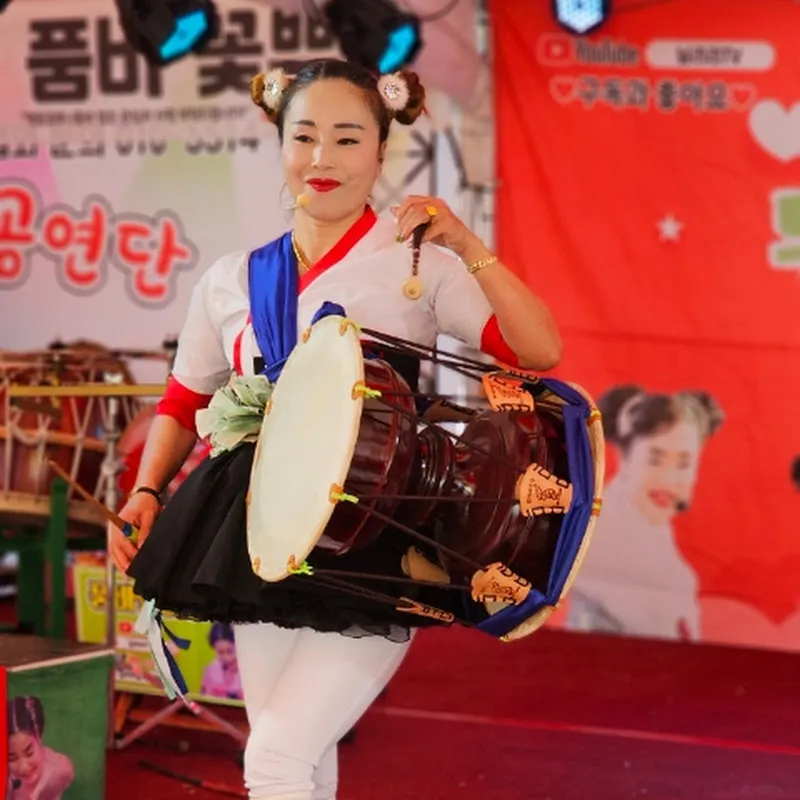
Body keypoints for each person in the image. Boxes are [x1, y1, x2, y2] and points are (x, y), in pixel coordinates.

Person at [113, 58, 562, 800]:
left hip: (376, 538)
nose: (322, 158)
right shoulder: (231, 278)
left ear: (382, 152)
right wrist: (146, 490)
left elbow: (539, 350)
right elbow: (184, 401)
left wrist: (466, 245)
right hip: (263, 533)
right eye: (304, 137)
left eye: (348, 139)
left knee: (275, 760)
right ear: (280, 143)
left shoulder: (417, 262)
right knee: (300, 760)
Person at [568, 385, 723, 641]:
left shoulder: (655, 528)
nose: (668, 479)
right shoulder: (596, 530)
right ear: (625, 458)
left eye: (684, 464)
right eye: (655, 460)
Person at [7, 696, 74, 800]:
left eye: (29, 752)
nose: (23, 767)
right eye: (12, 758)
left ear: (38, 736)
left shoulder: (60, 770)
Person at [201, 622, 243, 700]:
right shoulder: (211, 669)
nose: (226, 658)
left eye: (230, 651)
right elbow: (204, 698)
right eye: (220, 652)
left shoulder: (250, 670)